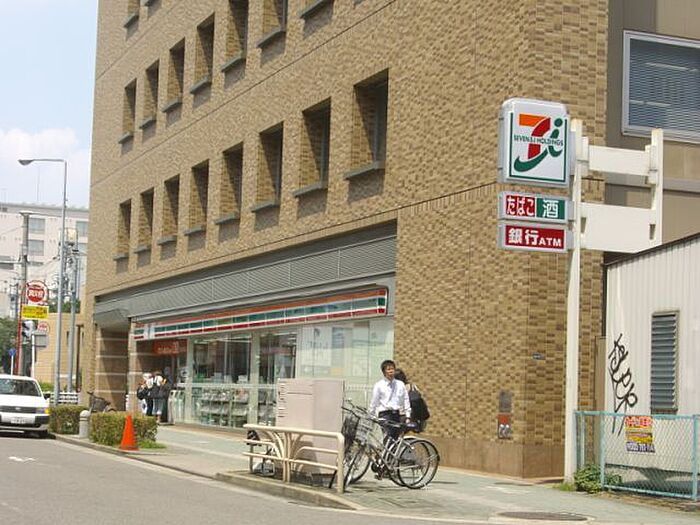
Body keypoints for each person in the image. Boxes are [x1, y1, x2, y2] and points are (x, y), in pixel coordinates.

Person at [368, 359, 411, 440]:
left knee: (395, 438)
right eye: (388, 369)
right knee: (388, 437)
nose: (391, 371)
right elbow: (374, 401)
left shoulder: (400, 384)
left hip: (396, 414)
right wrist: (371, 414)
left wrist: (408, 415)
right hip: (384, 415)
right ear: (384, 372)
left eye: (392, 369)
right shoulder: (379, 385)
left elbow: (406, 400)